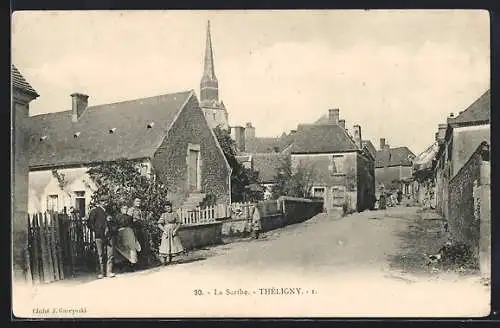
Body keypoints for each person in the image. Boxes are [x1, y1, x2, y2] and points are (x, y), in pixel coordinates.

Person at [88, 197, 116, 279]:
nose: (105, 203)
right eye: (103, 201)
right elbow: (90, 223)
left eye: (106, 201)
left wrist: (112, 228)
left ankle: (109, 272)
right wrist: (97, 230)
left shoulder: (110, 211)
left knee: (110, 254)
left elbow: (116, 223)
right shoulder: (95, 211)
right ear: (99, 202)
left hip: (109, 236)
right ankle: (101, 272)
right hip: (99, 236)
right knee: (100, 254)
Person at [114, 205, 141, 272]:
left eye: (126, 208)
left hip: (129, 233)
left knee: (131, 248)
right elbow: (116, 225)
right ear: (121, 209)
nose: (125, 209)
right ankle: (121, 265)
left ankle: (132, 264)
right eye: (123, 208)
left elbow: (132, 226)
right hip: (120, 233)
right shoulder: (117, 216)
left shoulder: (129, 217)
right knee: (121, 247)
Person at [127, 198, 151, 268]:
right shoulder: (131, 210)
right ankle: (135, 264)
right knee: (136, 246)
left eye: (139, 201)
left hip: (140, 229)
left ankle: (142, 263)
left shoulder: (139, 210)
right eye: (137, 201)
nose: (139, 202)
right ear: (133, 202)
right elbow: (129, 220)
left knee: (142, 245)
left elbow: (141, 219)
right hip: (134, 229)